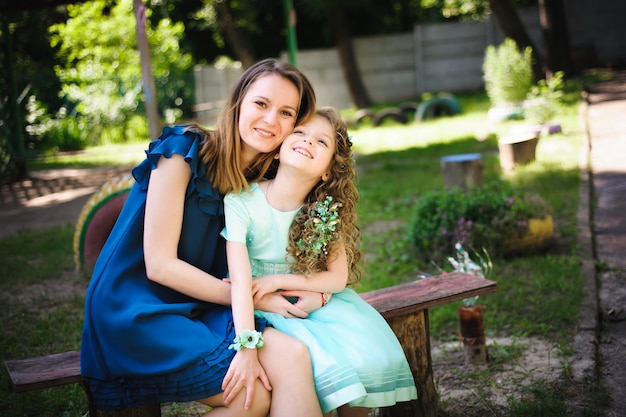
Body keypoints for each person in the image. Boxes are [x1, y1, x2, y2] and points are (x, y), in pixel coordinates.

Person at [80, 58, 325, 417]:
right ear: (238, 102)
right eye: (261, 104)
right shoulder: (182, 152)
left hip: (203, 303)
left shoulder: (266, 180)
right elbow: (160, 266)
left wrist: (309, 285)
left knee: (292, 356)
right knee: (253, 398)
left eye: (286, 113)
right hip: (136, 307)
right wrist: (258, 299)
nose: (271, 120)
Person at [222, 108, 418, 416]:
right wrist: (246, 343)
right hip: (264, 306)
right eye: (299, 133)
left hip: (318, 304)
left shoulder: (325, 211)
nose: (307, 141)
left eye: (321, 142)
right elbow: (241, 280)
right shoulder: (241, 202)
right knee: (318, 366)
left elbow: (336, 279)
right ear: (277, 151)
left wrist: (277, 280)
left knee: (359, 359)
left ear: (328, 170)